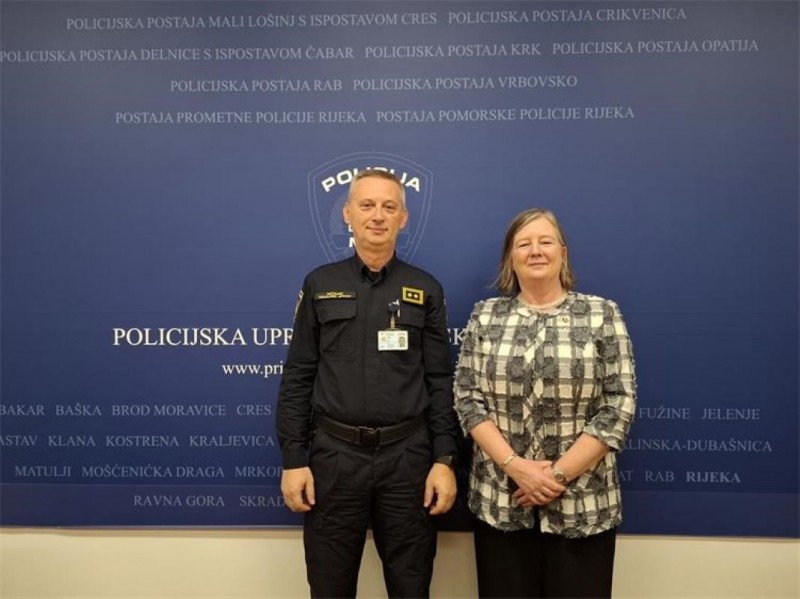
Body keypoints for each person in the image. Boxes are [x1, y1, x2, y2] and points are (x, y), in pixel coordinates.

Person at [276, 169, 459, 598]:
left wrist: (444, 459)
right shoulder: (320, 284)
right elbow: (299, 374)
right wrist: (293, 458)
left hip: (408, 459)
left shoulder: (425, 288)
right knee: (330, 586)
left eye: (389, 206)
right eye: (367, 205)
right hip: (335, 458)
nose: (378, 215)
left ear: (403, 218)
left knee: (411, 586)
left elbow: (439, 379)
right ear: (348, 213)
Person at [454, 208, 636, 598]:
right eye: (524, 244)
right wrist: (516, 467)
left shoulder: (602, 314)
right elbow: (467, 398)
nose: (535, 250)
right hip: (502, 502)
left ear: (563, 253)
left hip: (583, 505)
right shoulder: (485, 317)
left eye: (545, 241)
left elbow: (618, 404)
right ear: (511, 258)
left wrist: (555, 476)